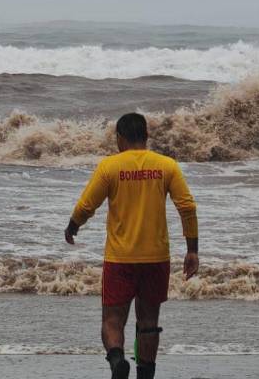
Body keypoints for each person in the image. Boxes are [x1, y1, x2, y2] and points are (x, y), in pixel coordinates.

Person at [65, 113, 199, 379]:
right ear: (146, 137)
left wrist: (73, 226)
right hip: (156, 257)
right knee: (148, 322)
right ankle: (145, 375)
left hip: (120, 258)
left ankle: (117, 361)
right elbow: (187, 207)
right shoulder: (166, 165)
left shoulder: (110, 167)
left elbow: (86, 205)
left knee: (113, 319)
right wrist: (192, 249)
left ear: (119, 138)